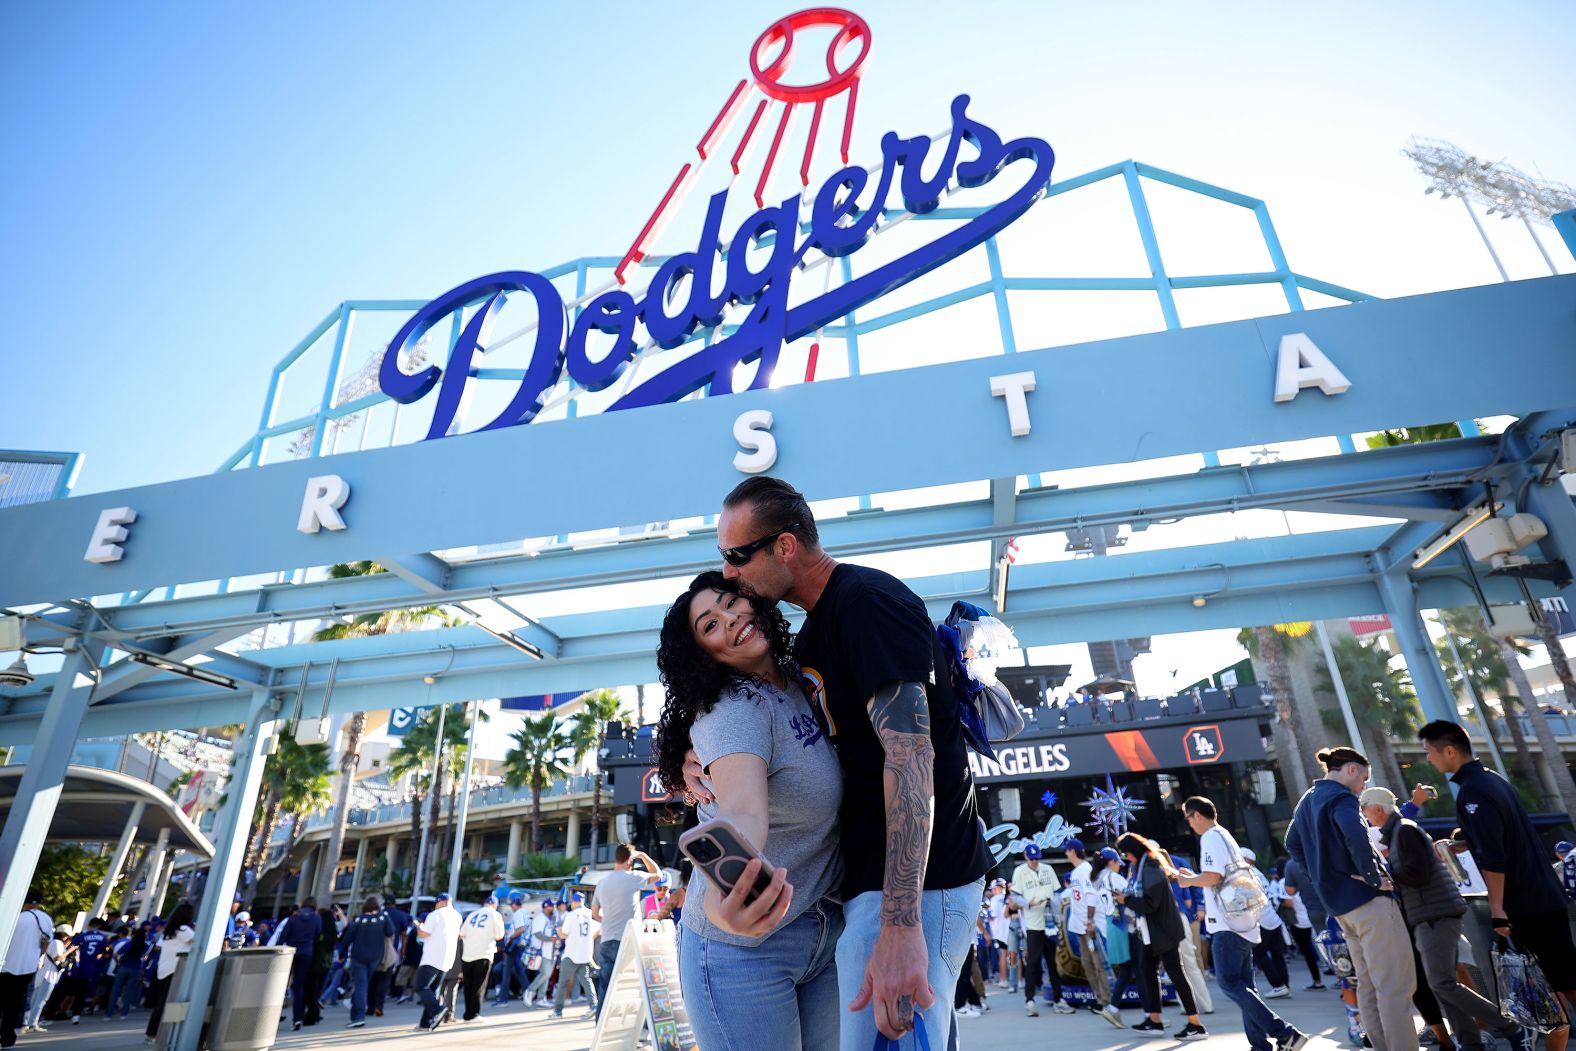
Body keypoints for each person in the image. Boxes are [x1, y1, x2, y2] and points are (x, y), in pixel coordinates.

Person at [694, 476, 993, 1048]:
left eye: (736, 557)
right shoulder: (813, 637)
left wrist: (900, 925)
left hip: (918, 892)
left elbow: (910, 759)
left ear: (784, 547)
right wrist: (689, 756)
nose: (728, 573)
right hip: (878, 896)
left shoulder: (867, 605)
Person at [656, 570, 846, 1049]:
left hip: (825, 934)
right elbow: (743, 811)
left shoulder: (800, 673)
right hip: (743, 953)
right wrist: (726, 905)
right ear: (705, 656)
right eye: (710, 625)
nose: (730, 618)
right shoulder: (732, 709)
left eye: (728, 602)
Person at [1420, 719, 1576, 1051]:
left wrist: (1497, 909)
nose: (1429, 759)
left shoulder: (1474, 792)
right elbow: (1499, 838)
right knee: (1551, 992)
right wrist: (1461, 845)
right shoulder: (1491, 780)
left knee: (1553, 991)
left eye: (1429, 752)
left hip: (1527, 905)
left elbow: (1495, 857)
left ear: (1449, 751)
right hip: (1542, 897)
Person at [1360, 787, 1517, 1051]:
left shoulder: (1404, 831)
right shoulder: (1400, 831)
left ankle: (1507, 1026)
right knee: (1443, 984)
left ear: (1376, 808)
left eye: (1364, 809)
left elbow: (1416, 874)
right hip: (1432, 914)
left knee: (1441, 983)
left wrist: (1386, 880)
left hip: (1435, 914)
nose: (1365, 816)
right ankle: (1471, 1042)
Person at [1284, 747, 1416, 1051]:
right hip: (1370, 902)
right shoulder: (1342, 798)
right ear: (1351, 770)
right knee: (1395, 987)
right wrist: (1372, 877)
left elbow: (1292, 843)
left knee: (1368, 986)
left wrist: (1322, 876)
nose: (1364, 787)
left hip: (1342, 907)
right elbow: (1355, 835)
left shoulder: (1308, 800)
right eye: (1365, 779)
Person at [1176, 796, 1307, 1051]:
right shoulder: (1225, 834)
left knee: (1229, 983)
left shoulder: (1210, 837)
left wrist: (1189, 880)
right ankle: (1259, 1045)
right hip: (1245, 920)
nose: (1189, 824)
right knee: (1245, 986)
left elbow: (1213, 876)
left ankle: (1285, 1033)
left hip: (1227, 922)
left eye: (1188, 818)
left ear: (1197, 815)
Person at [1113, 832, 1207, 1039]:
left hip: (1162, 930)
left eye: (1126, 853)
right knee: (1146, 970)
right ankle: (1154, 1020)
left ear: (1134, 850)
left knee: (1175, 972)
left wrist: (1125, 900)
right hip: (1151, 931)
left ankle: (1195, 1023)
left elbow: (1150, 903)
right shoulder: (1142, 866)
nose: (1125, 857)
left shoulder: (1150, 866)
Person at [589, 843, 663, 1017]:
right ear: (630, 860)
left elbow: (594, 913)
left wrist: (606, 921)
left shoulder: (602, 883)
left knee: (605, 989)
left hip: (607, 940)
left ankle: (601, 1029)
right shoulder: (634, 877)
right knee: (637, 986)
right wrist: (644, 855)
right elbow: (658, 875)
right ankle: (640, 1028)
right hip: (629, 940)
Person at [1064, 838, 1125, 1027]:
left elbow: (1091, 898)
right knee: (1087, 963)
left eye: (1067, 850)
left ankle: (1106, 1000)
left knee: (1099, 964)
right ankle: (1099, 998)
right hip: (1079, 925)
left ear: (1073, 851)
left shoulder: (1086, 870)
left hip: (1090, 925)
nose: (1066, 854)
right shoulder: (1076, 872)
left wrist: (1089, 921)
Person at [1011, 844, 1074, 1016]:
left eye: (1037, 858)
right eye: (1032, 859)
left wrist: (1056, 908)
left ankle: (1058, 999)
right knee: (1033, 962)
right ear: (1025, 857)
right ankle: (1029, 1000)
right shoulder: (1020, 872)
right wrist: (1028, 903)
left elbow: (1058, 892)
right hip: (1033, 924)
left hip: (1050, 923)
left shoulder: (1047, 869)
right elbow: (1015, 896)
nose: (1035, 861)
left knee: (1053, 962)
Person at [2, 889, 51, 1047]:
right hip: (28, 967)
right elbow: (45, 945)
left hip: (5, 965)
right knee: (14, 1005)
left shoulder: (14, 916)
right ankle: (8, 1040)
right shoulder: (46, 919)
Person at [338, 895, 395, 1029]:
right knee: (363, 985)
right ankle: (355, 1015)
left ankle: (358, 1017)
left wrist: (342, 955)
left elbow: (348, 939)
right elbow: (390, 932)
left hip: (358, 957)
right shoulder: (383, 918)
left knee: (360, 986)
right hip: (375, 958)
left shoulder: (359, 919)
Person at [1240, 849, 1290, 999]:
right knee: (1277, 954)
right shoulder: (1259, 873)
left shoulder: (1247, 875)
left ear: (1245, 859)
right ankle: (1284, 985)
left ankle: (1277, 985)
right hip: (1272, 918)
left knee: (1260, 953)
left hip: (1261, 920)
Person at [143, 902, 194, 1043]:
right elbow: (196, 943)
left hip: (163, 969)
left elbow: (158, 947)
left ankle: (151, 1032)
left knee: (161, 1002)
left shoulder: (168, 930)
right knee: (169, 1003)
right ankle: (157, 1034)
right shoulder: (184, 930)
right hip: (176, 969)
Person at [413, 893, 461, 1031]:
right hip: (447, 959)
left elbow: (424, 934)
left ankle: (438, 1010)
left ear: (440, 902)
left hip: (431, 957)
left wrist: (418, 926)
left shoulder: (436, 914)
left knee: (421, 986)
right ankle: (425, 1023)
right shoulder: (457, 916)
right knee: (432, 990)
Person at [550, 892, 598, 1019]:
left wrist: (558, 930)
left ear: (574, 902)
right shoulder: (589, 913)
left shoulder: (571, 915)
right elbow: (596, 931)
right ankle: (594, 1006)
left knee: (562, 983)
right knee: (586, 980)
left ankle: (558, 1011)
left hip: (572, 953)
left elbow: (564, 935)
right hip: (586, 953)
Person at [1277, 864, 1325, 990]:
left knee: (1308, 951)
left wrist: (1279, 901)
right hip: (1317, 914)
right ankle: (1340, 982)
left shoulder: (1284, 882)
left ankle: (1317, 981)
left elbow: (1288, 901)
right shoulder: (1311, 869)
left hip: (1300, 920)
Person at [459, 895, 505, 1022]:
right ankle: (475, 1014)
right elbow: (499, 935)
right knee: (479, 985)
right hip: (483, 953)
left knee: (468, 986)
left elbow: (462, 933)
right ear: (495, 905)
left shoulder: (473, 914)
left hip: (468, 954)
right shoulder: (495, 915)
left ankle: (468, 1014)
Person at [278, 898, 323, 1032]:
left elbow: (283, 937)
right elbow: (318, 934)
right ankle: (297, 1017)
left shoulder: (294, 918)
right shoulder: (316, 918)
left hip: (291, 951)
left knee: (281, 984)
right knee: (299, 986)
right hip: (306, 952)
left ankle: (275, 1012)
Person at [522, 900, 560, 1008]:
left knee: (547, 976)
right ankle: (530, 990)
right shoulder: (540, 918)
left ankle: (541, 998)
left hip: (552, 951)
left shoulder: (551, 918)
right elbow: (537, 934)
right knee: (545, 974)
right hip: (542, 951)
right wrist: (550, 939)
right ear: (545, 907)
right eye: (551, 907)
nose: (553, 908)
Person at [108, 923, 147, 1020]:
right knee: (129, 992)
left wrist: (118, 963)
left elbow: (117, 954)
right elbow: (145, 957)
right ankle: (124, 1014)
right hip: (136, 969)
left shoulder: (129, 943)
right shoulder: (145, 945)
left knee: (116, 990)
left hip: (124, 967)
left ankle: (109, 1014)